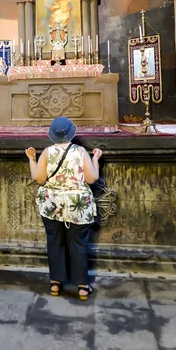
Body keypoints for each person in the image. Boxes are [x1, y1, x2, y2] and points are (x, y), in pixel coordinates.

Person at [25, 116, 102, 301]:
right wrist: (96, 159)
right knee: (79, 243)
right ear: (71, 133)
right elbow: (92, 179)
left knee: (54, 242)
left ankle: (55, 283)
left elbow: (38, 178)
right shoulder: (80, 151)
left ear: (53, 135)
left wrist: (31, 159)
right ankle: (82, 286)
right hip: (78, 206)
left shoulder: (47, 152)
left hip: (52, 204)